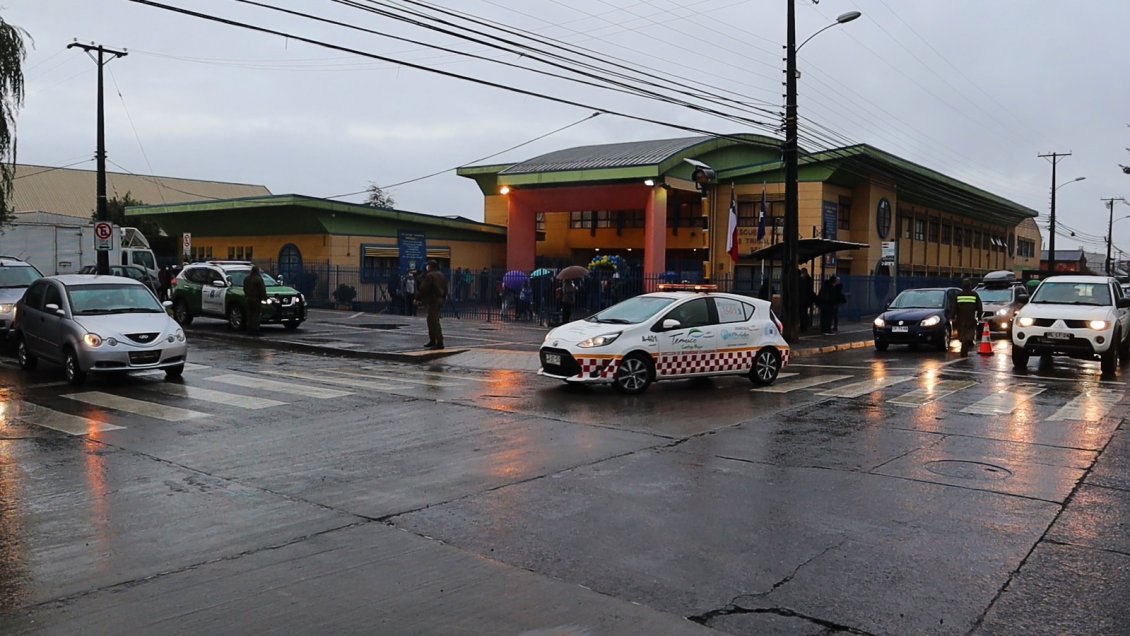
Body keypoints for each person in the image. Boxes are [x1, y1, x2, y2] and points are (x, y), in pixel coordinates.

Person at [417, 260, 448, 349]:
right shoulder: (441, 275)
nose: (427, 267)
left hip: (433, 300)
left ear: (431, 266)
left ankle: (439, 342)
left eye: (428, 265)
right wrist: (444, 298)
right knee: (430, 320)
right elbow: (446, 288)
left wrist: (417, 297)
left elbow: (423, 288)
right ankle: (433, 340)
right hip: (440, 299)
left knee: (433, 321)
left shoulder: (430, 276)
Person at [955, 278, 984, 356]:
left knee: (962, 334)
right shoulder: (974, 295)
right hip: (971, 318)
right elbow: (979, 307)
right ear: (970, 286)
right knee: (969, 334)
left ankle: (963, 343)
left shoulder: (958, 295)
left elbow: (954, 307)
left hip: (960, 319)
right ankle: (965, 344)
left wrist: (952, 316)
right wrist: (979, 316)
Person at [243, 264, 267, 336]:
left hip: (248, 299)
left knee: (249, 315)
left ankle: (249, 330)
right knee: (256, 315)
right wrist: (265, 298)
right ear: (257, 271)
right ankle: (255, 330)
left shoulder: (246, 279)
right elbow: (262, 290)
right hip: (256, 300)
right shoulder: (258, 279)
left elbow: (244, 289)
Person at [799, 268, 815, 332]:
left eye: (803, 272)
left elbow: (808, 290)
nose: (802, 274)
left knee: (804, 314)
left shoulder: (807, 280)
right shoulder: (804, 279)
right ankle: (803, 326)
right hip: (803, 299)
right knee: (803, 314)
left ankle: (804, 327)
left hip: (805, 300)